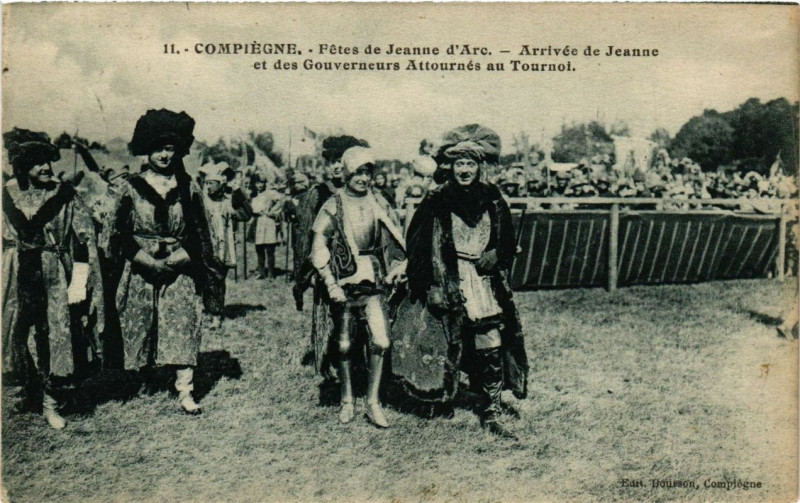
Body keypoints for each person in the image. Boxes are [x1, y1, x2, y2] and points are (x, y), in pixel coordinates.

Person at [401, 135, 528, 438]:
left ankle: (491, 408)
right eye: (460, 163)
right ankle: (437, 398)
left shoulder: (493, 197)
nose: (465, 170)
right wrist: (429, 283)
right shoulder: (437, 198)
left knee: (490, 339)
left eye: (470, 163)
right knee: (445, 341)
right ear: (451, 167)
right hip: (446, 275)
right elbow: (416, 244)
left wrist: (497, 254)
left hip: (483, 280)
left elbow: (508, 238)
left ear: (479, 166)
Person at [104, 109, 223, 415]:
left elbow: (200, 233)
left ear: (179, 150)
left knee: (182, 324)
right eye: (158, 149)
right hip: (140, 266)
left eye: (170, 149)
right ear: (147, 149)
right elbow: (118, 233)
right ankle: (145, 377)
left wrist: (177, 260)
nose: (164, 156)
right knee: (144, 322)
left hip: (179, 266)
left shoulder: (189, 186)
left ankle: (185, 390)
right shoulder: (130, 186)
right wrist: (145, 261)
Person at [2, 128, 104, 429]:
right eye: (36, 162)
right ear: (22, 167)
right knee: (14, 336)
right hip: (13, 272)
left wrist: (80, 282)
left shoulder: (66, 195)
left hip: (55, 275)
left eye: (48, 160)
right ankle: (31, 385)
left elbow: (85, 241)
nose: (45, 167)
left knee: (54, 337)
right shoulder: (5, 194)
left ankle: (51, 401)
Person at [309, 146, 406, 428]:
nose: (363, 178)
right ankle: (347, 400)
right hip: (343, 280)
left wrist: (398, 269)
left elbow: (397, 239)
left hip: (374, 280)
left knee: (381, 340)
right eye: (358, 171)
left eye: (368, 172)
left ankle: (373, 402)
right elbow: (319, 247)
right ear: (348, 172)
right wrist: (330, 284)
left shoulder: (379, 202)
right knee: (344, 345)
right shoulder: (333, 204)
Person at [202, 162, 252, 328]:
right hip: (204, 247)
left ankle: (216, 314)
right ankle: (207, 309)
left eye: (212, 183)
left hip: (222, 249)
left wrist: (238, 194)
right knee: (205, 280)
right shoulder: (201, 202)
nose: (208, 187)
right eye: (206, 183)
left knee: (217, 280)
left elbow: (245, 215)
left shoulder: (227, 202)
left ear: (220, 184)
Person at [251, 176, 284, 279]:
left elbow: (281, 200)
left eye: (261, 182)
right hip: (258, 222)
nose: (259, 185)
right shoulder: (254, 195)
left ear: (265, 183)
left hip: (269, 222)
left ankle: (270, 272)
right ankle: (261, 272)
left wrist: (273, 212)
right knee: (259, 248)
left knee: (270, 249)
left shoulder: (270, 193)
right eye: (257, 183)